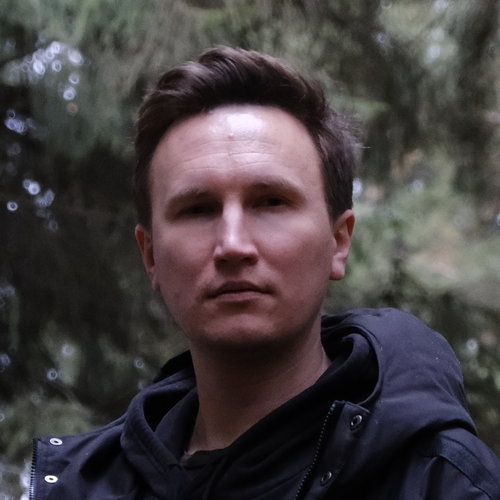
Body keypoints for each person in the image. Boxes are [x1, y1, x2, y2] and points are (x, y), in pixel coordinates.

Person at [30, 46, 500, 500]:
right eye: (197, 209)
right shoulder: (79, 488)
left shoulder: (443, 484)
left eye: (271, 202)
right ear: (150, 256)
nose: (233, 244)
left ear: (339, 243)